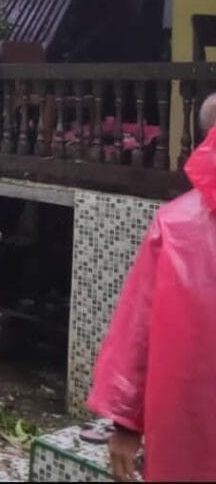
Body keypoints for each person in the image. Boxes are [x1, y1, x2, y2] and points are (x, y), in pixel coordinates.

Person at [87, 92, 216, 481]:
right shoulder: (174, 227)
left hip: (186, 433)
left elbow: (137, 335)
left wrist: (126, 424)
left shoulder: (175, 225)